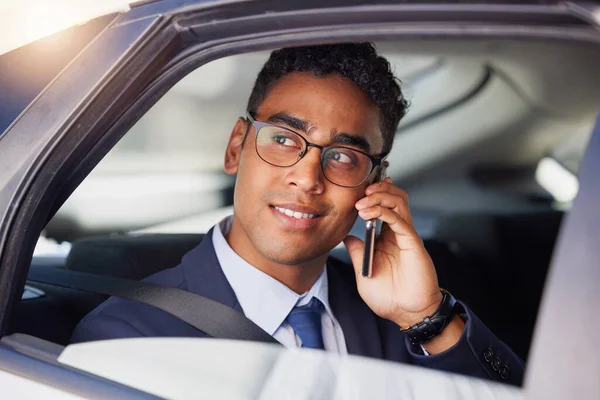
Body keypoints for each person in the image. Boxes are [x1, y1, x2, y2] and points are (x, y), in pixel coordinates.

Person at [72, 43, 523, 385]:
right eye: (285, 140)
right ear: (236, 148)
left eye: (344, 156)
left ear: (375, 184)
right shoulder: (127, 336)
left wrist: (427, 315)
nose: (308, 179)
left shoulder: (398, 321)